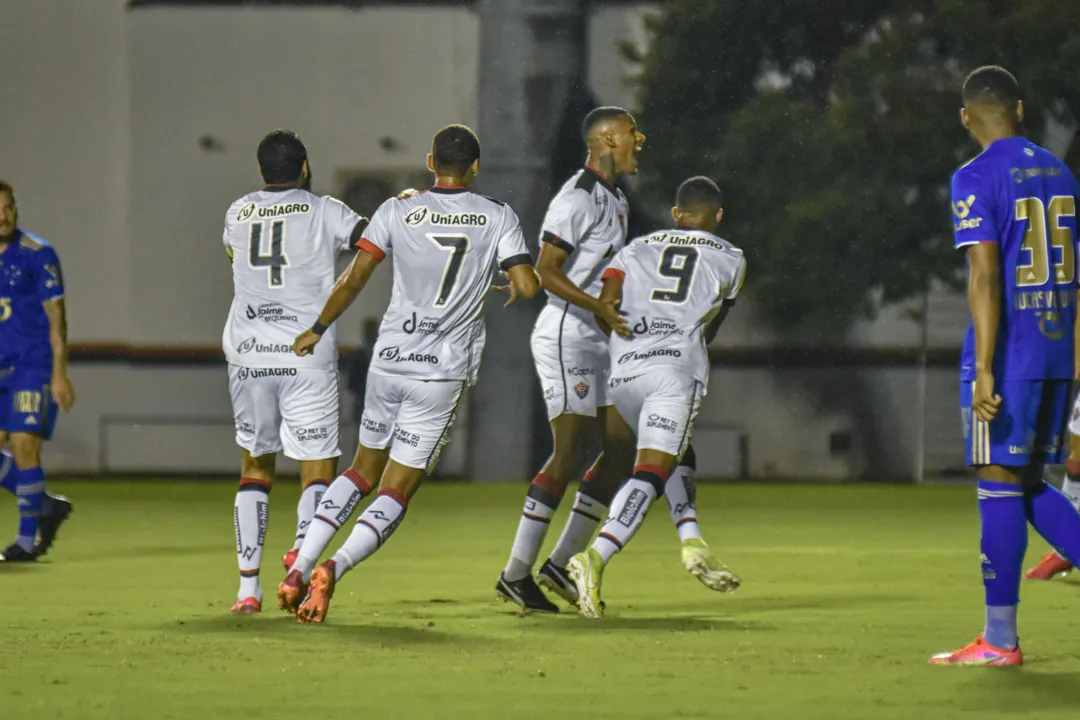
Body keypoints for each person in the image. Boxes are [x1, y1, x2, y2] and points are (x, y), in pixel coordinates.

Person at [277, 124, 540, 623]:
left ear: (429, 161)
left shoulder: (397, 208)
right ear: (476, 167)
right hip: (439, 374)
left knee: (358, 471)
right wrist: (506, 283)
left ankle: (300, 564)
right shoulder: (497, 216)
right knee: (395, 489)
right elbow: (525, 284)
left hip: (391, 359)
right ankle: (334, 566)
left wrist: (317, 327)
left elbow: (355, 276)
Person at [496, 107, 709, 613]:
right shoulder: (578, 197)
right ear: (609, 140)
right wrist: (598, 307)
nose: (642, 138)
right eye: (634, 132)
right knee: (567, 449)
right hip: (568, 333)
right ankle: (515, 574)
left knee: (620, 449)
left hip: (598, 336)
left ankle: (560, 563)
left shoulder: (615, 198)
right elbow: (547, 270)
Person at [930, 66, 1080, 666]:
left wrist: (984, 366)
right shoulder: (1062, 172)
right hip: (1055, 351)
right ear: (1019, 108)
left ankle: (998, 642)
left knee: (998, 484)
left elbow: (985, 275)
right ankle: (998, 640)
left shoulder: (975, 176)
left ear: (967, 117)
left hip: (1011, 354)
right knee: (1024, 482)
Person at [566, 176, 744, 616]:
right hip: (673, 372)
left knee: (677, 452)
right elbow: (712, 326)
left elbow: (605, 307)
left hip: (625, 372)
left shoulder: (634, 248)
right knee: (650, 472)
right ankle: (594, 558)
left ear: (676, 214)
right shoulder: (734, 259)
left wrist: (631, 340)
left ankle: (693, 543)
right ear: (717, 217)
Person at [221, 130, 369, 612]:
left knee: (255, 467)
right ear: (304, 167)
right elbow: (371, 242)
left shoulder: (237, 213)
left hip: (249, 352)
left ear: (261, 170)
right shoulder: (326, 210)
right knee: (317, 465)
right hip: (306, 352)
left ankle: (247, 590)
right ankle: (300, 558)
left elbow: (236, 259)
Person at [0, 181, 75, 562]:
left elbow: (56, 318)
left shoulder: (37, 254)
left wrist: (59, 373)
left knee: (23, 446)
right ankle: (47, 506)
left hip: (31, 364)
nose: (4, 215)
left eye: (9, 207)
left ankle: (25, 543)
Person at [345, 318, 379, 421]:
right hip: (372, 394)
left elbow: (354, 376)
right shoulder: (380, 351)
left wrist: (352, 387)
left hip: (364, 393)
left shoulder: (363, 352)